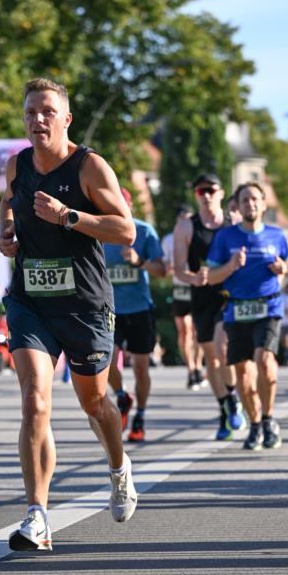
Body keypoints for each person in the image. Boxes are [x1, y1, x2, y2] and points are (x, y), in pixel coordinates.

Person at [0, 77, 137, 553]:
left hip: (84, 305)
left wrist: (68, 216)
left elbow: (125, 230)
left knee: (94, 403)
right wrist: (7, 232)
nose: (37, 120)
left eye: (47, 112)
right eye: (30, 112)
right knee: (34, 401)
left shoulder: (89, 166)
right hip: (31, 301)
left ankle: (118, 469)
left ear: (66, 119)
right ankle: (37, 514)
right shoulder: (17, 165)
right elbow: (9, 202)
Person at [206, 182, 288, 450]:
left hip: (269, 307)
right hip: (237, 310)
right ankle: (254, 424)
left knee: (264, 361)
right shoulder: (225, 238)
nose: (250, 204)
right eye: (245, 200)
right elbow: (211, 277)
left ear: (263, 204)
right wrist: (231, 266)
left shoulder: (277, 235)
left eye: (255, 199)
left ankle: (268, 419)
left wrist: (283, 267)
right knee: (243, 372)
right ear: (238, 205)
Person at [174, 173, 245, 440]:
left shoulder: (233, 222)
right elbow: (178, 269)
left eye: (211, 190)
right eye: (200, 191)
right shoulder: (186, 227)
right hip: (201, 296)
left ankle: (234, 397)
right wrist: (193, 278)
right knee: (211, 358)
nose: (206, 195)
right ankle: (225, 407)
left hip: (228, 294)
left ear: (221, 193)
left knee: (222, 347)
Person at [105, 188, 166, 443]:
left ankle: (140, 415)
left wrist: (140, 262)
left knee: (141, 366)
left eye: (122, 206)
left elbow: (162, 270)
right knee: (106, 361)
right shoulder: (99, 231)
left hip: (140, 309)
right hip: (110, 309)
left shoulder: (144, 231)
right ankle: (122, 395)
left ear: (129, 207)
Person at [161, 206, 204, 390]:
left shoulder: (198, 235)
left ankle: (198, 365)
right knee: (184, 331)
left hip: (196, 287)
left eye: (189, 219)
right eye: (182, 219)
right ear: (177, 220)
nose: (185, 223)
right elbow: (164, 263)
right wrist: (168, 267)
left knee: (198, 330)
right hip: (180, 287)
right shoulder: (169, 239)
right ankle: (191, 368)